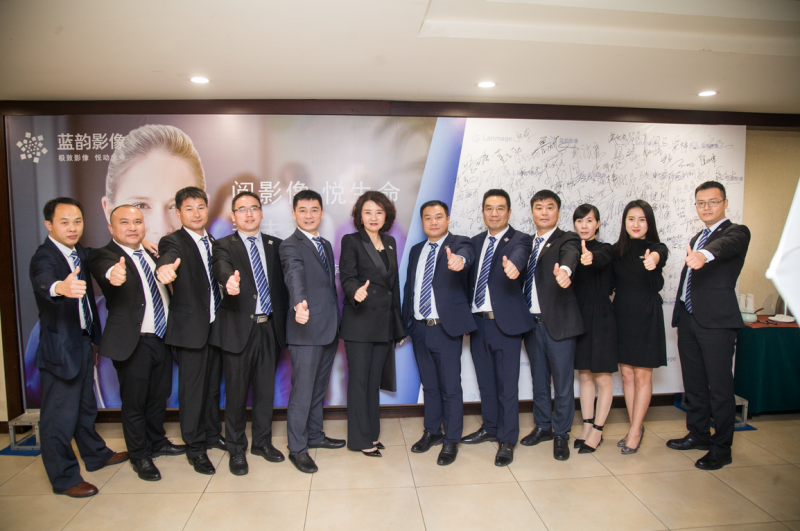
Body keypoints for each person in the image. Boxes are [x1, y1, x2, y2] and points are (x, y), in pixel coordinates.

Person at [28, 198, 128, 498]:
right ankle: (64, 478)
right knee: (58, 417)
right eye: (64, 222)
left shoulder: (78, 252)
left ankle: (96, 455)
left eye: (77, 222)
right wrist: (60, 287)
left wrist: (140, 244)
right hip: (60, 350)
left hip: (83, 342)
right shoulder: (45, 256)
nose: (72, 228)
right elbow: (44, 280)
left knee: (85, 408)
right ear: (49, 225)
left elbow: (98, 255)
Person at [89, 205, 187, 481]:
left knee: (158, 396)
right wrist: (114, 274)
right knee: (135, 402)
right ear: (111, 228)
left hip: (162, 338)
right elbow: (106, 270)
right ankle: (139, 455)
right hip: (134, 342)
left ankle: (156, 441)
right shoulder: (105, 255)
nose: (132, 227)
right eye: (124, 222)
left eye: (137, 222)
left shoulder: (152, 253)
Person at [667, 181, 751, 470]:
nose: (706, 207)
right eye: (701, 203)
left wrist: (703, 255)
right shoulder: (697, 236)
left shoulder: (736, 232)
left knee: (720, 388)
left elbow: (723, 247)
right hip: (690, 320)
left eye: (713, 202)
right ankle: (698, 434)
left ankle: (722, 448)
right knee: (694, 384)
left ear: (725, 203)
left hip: (717, 323)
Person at [209, 191, 288, 475]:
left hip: (270, 328)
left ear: (261, 213)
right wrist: (228, 282)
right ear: (233, 216)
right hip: (238, 329)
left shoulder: (276, 245)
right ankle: (236, 449)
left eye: (254, 208)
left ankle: (262, 443)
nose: (249, 213)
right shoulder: (223, 245)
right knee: (236, 393)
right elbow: (221, 269)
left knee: (265, 391)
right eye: (242, 209)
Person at [155, 187, 225, 475]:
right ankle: (195, 448)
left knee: (212, 387)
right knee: (193, 391)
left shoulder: (215, 242)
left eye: (200, 207)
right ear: (178, 212)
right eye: (189, 208)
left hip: (216, 327)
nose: (196, 213)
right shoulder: (173, 241)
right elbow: (166, 258)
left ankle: (211, 434)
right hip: (190, 330)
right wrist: (164, 269)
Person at [462, 189, 534, 467]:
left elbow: (519, 255)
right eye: (489, 208)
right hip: (478, 323)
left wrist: (514, 266)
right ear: (482, 212)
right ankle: (490, 427)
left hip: (506, 325)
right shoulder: (474, 242)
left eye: (500, 208)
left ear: (509, 212)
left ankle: (507, 438)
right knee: (486, 382)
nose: (494, 213)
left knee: (507, 385)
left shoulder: (520, 239)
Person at [402, 200, 475, 465]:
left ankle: (451, 439)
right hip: (419, 328)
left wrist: (459, 260)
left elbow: (467, 254)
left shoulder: (460, 243)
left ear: (447, 219)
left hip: (445, 329)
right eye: (428, 217)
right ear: (422, 221)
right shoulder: (416, 250)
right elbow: (410, 288)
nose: (433, 222)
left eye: (438, 216)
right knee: (430, 386)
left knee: (450, 387)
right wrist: (405, 324)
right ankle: (432, 431)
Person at [280, 190, 346, 474]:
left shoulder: (325, 244)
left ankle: (315, 435)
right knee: (303, 392)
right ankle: (297, 448)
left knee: (319, 389)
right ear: (293, 213)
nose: (309, 215)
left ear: (321, 213)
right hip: (305, 328)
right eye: (303, 210)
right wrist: (299, 303)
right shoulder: (289, 245)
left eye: (314, 209)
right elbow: (293, 275)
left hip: (328, 328)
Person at [339, 191, 405, 457]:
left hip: (383, 324)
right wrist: (355, 291)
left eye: (379, 212)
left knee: (373, 382)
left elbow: (393, 287)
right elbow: (346, 276)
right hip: (359, 323)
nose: (373, 217)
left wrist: (398, 326)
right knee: (358, 382)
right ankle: (359, 439)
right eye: (368, 212)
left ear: (386, 216)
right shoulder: (351, 241)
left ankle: (371, 434)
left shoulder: (390, 242)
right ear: (360, 216)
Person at [518, 190, 583, 461]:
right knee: (539, 380)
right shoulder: (525, 243)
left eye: (549, 207)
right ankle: (543, 426)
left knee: (563, 383)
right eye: (539, 207)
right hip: (531, 324)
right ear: (532, 211)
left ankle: (561, 434)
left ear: (558, 211)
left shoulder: (567, 238)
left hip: (559, 323)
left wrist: (565, 272)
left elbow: (571, 255)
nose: (544, 212)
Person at [612, 200, 669, 455]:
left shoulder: (656, 248)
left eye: (642, 219)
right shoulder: (616, 251)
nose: (636, 224)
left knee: (642, 376)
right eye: (631, 219)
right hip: (622, 315)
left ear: (649, 223)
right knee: (627, 376)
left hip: (647, 315)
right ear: (624, 222)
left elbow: (660, 254)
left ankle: (635, 430)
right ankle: (634, 426)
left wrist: (652, 260)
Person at [571, 204, 618, 454]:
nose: (584, 225)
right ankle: (587, 426)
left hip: (601, 317)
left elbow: (599, 259)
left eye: (589, 220)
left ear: (597, 224)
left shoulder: (606, 249)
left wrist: (589, 257)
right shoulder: (570, 249)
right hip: (579, 317)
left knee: (602, 376)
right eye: (580, 221)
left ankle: (598, 430)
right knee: (585, 375)